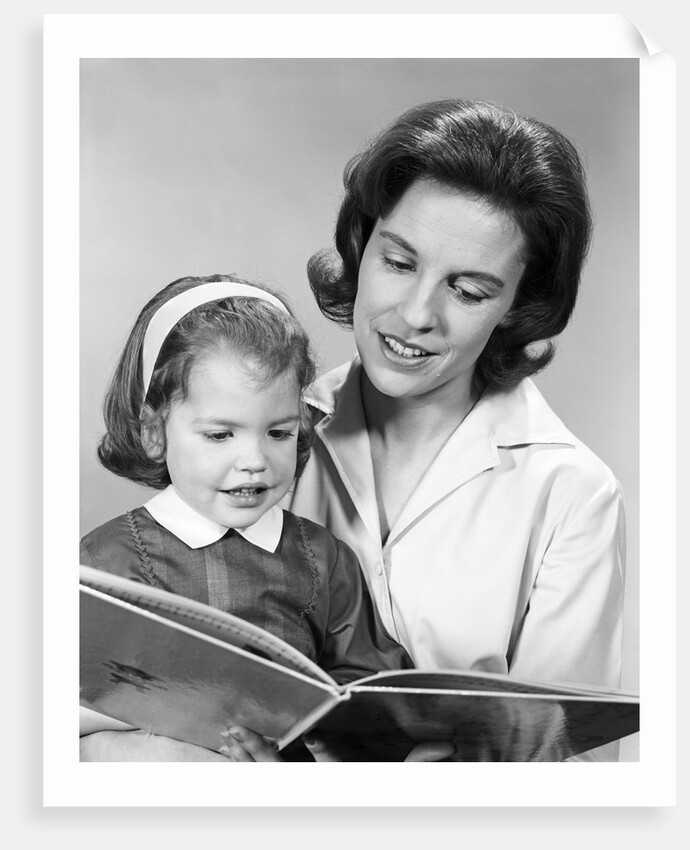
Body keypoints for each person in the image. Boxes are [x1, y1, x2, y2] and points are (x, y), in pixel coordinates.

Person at [228, 98, 626, 762]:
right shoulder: (262, 439)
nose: (415, 314)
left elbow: (570, 772)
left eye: (467, 292)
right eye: (399, 262)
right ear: (362, 242)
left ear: (516, 309)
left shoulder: (572, 495)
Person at [79, 273, 412, 761]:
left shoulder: (324, 560)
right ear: (154, 432)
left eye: (277, 433)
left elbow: (369, 688)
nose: (254, 459)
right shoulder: (106, 558)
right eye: (220, 435)